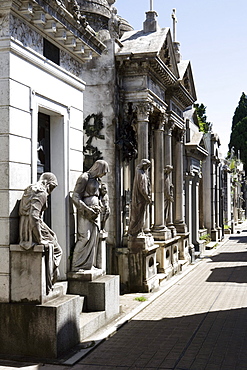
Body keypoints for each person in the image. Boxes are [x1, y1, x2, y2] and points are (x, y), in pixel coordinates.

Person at [19, 172, 62, 294]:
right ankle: (50, 278)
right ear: (47, 183)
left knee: (53, 237)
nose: (52, 191)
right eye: (52, 187)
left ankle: (51, 275)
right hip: (32, 228)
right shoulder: (41, 192)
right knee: (58, 250)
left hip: (25, 226)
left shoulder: (31, 189)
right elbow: (34, 216)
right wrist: (39, 239)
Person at [71, 160, 109, 271]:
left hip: (95, 214)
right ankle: (76, 265)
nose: (104, 174)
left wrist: (100, 205)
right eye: (104, 171)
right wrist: (86, 209)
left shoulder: (97, 180)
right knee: (85, 237)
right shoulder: (84, 178)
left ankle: (88, 265)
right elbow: (75, 196)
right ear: (98, 168)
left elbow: (98, 196)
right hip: (85, 213)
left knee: (94, 238)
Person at [128, 159, 152, 236]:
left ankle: (139, 230)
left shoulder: (142, 173)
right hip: (140, 199)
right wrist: (147, 197)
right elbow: (142, 188)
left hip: (142, 199)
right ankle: (134, 232)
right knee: (137, 216)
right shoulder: (140, 173)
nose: (148, 168)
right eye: (147, 166)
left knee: (141, 216)